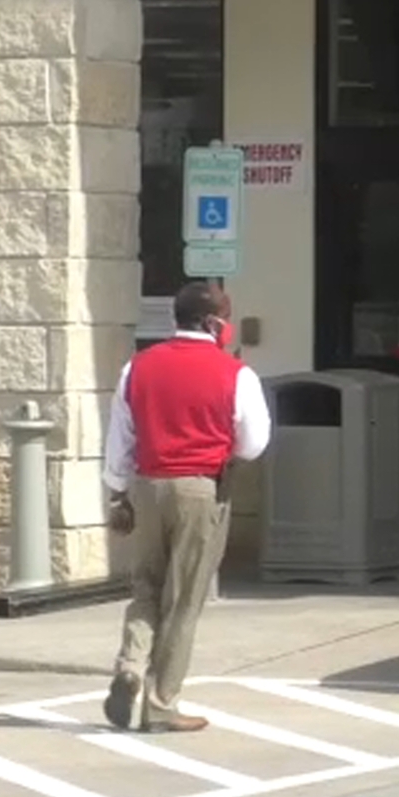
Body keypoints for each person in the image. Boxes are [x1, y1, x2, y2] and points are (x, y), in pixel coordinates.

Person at [100, 281, 273, 733]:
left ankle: (130, 665)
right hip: (200, 488)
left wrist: (117, 491)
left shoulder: (137, 368)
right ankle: (161, 703)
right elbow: (254, 444)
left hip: (148, 483)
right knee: (183, 599)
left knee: (145, 588)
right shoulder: (235, 373)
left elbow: (121, 437)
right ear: (214, 322)